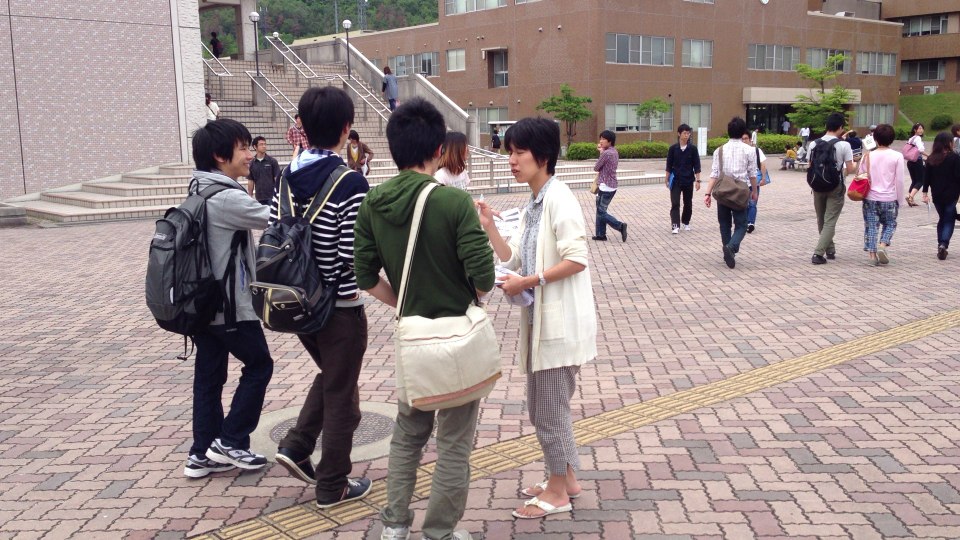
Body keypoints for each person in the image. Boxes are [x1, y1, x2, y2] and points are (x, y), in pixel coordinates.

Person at [353, 98, 494, 540]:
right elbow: (485, 277)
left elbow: (364, 276)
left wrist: (403, 303)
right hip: (457, 339)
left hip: (413, 341)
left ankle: (394, 525)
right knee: (454, 443)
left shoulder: (373, 203)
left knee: (408, 435)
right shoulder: (453, 202)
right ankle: (440, 532)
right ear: (438, 149)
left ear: (393, 148)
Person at [476, 117, 596, 521]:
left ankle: (558, 492)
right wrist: (490, 227)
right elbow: (513, 258)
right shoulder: (535, 202)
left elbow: (576, 258)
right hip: (543, 323)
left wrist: (529, 281)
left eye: (519, 152)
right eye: (509, 152)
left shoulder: (559, 198)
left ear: (542, 156)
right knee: (549, 407)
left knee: (547, 410)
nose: (511, 160)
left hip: (560, 326)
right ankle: (566, 479)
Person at [271, 87, 373, 509]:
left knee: (335, 378)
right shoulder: (350, 182)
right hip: (340, 307)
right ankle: (333, 484)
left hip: (297, 303)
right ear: (347, 128)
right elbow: (352, 254)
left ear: (303, 126)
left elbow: (276, 230)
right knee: (341, 393)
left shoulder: (286, 176)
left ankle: (297, 445)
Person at [183, 119, 273, 478]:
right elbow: (276, 219)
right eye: (243, 148)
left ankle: (201, 453)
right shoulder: (227, 197)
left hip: (202, 304)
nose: (250, 154)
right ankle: (231, 440)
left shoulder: (198, 189)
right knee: (259, 365)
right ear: (221, 156)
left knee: (209, 378)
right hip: (231, 307)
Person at [704, 117, 758, 269]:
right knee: (742, 224)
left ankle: (727, 250)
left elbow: (714, 174)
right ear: (743, 132)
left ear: (728, 131)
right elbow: (752, 174)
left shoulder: (719, 150)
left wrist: (707, 194)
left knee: (724, 224)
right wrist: (754, 191)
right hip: (740, 193)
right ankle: (731, 247)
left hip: (723, 191)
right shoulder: (750, 150)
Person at [810, 112, 856, 265]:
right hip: (836, 186)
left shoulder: (813, 144)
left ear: (826, 126)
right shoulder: (844, 145)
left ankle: (830, 249)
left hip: (817, 185)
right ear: (841, 127)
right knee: (830, 220)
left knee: (821, 218)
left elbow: (810, 166)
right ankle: (818, 253)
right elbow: (850, 168)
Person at [860, 124, 905, 266]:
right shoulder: (897, 156)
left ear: (875, 138)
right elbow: (899, 180)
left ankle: (872, 256)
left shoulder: (867, 156)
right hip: (890, 197)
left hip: (870, 197)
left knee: (871, 226)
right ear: (892, 139)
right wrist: (900, 199)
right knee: (890, 223)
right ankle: (883, 245)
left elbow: (861, 175)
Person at [922, 132, 960, 260]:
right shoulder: (955, 158)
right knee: (949, 219)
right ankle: (943, 244)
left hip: (937, 195)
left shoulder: (931, 158)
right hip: (952, 194)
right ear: (948, 143)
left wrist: (925, 193)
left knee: (942, 218)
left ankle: (940, 244)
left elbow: (926, 177)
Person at [665, 124, 701, 233]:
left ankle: (686, 222)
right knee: (675, 203)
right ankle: (675, 225)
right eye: (684, 133)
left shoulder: (693, 149)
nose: (687, 135)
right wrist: (666, 178)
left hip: (688, 180)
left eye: (688, 133)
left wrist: (698, 180)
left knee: (688, 203)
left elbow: (697, 166)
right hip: (676, 180)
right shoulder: (673, 149)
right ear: (679, 134)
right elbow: (668, 165)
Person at [592, 130, 627, 242]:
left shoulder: (606, 153)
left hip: (605, 186)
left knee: (601, 212)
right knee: (601, 210)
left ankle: (620, 226)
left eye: (603, 139)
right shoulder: (614, 152)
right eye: (600, 138)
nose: (601, 141)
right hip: (611, 185)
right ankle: (600, 235)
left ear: (610, 141)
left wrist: (601, 153)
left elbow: (596, 167)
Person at [741, 133, 767, 234]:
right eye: (742, 139)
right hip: (742, 182)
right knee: (745, 203)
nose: (744, 141)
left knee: (752, 203)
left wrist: (763, 178)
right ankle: (747, 222)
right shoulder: (739, 151)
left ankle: (750, 223)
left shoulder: (756, 150)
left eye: (746, 138)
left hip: (754, 182)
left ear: (750, 139)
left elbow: (763, 164)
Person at [247, 136, 281, 206]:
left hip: (272, 196)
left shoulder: (272, 161)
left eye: (265, 144)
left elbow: (277, 178)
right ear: (255, 147)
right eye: (261, 144)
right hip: (259, 197)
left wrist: (278, 194)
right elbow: (250, 180)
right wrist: (250, 196)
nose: (264, 146)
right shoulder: (252, 163)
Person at [905, 122, 928, 206]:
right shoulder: (917, 138)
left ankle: (910, 198)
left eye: (922, 128)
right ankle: (910, 197)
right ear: (915, 130)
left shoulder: (911, 138)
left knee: (914, 181)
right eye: (919, 128)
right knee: (920, 181)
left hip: (910, 162)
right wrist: (928, 155)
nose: (921, 130)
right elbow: (921, 149)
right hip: (917, 161)